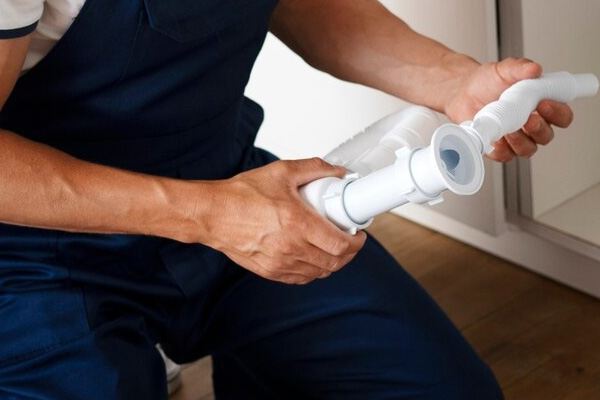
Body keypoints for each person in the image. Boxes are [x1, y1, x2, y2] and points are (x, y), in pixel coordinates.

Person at [0, 0, 574, 399]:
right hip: (38, 253)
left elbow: (299, 5)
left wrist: (452, 82)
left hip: (229, 181)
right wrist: (208, 214)